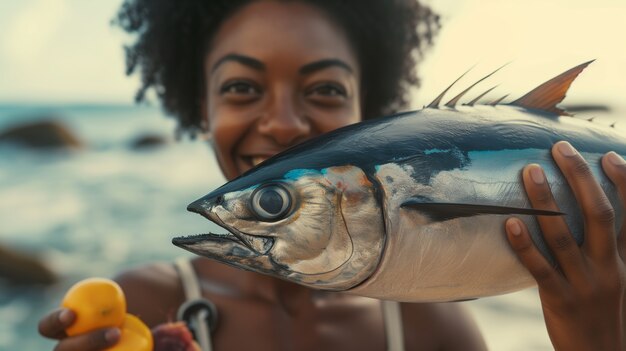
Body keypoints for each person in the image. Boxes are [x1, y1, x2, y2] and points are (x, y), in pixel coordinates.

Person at [38, 0, 626, 350]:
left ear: (371, 112)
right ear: (201, 108)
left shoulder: (437, 328)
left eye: (324, 90)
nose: (284, 123)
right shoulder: (142, 306)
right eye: (242, 88)